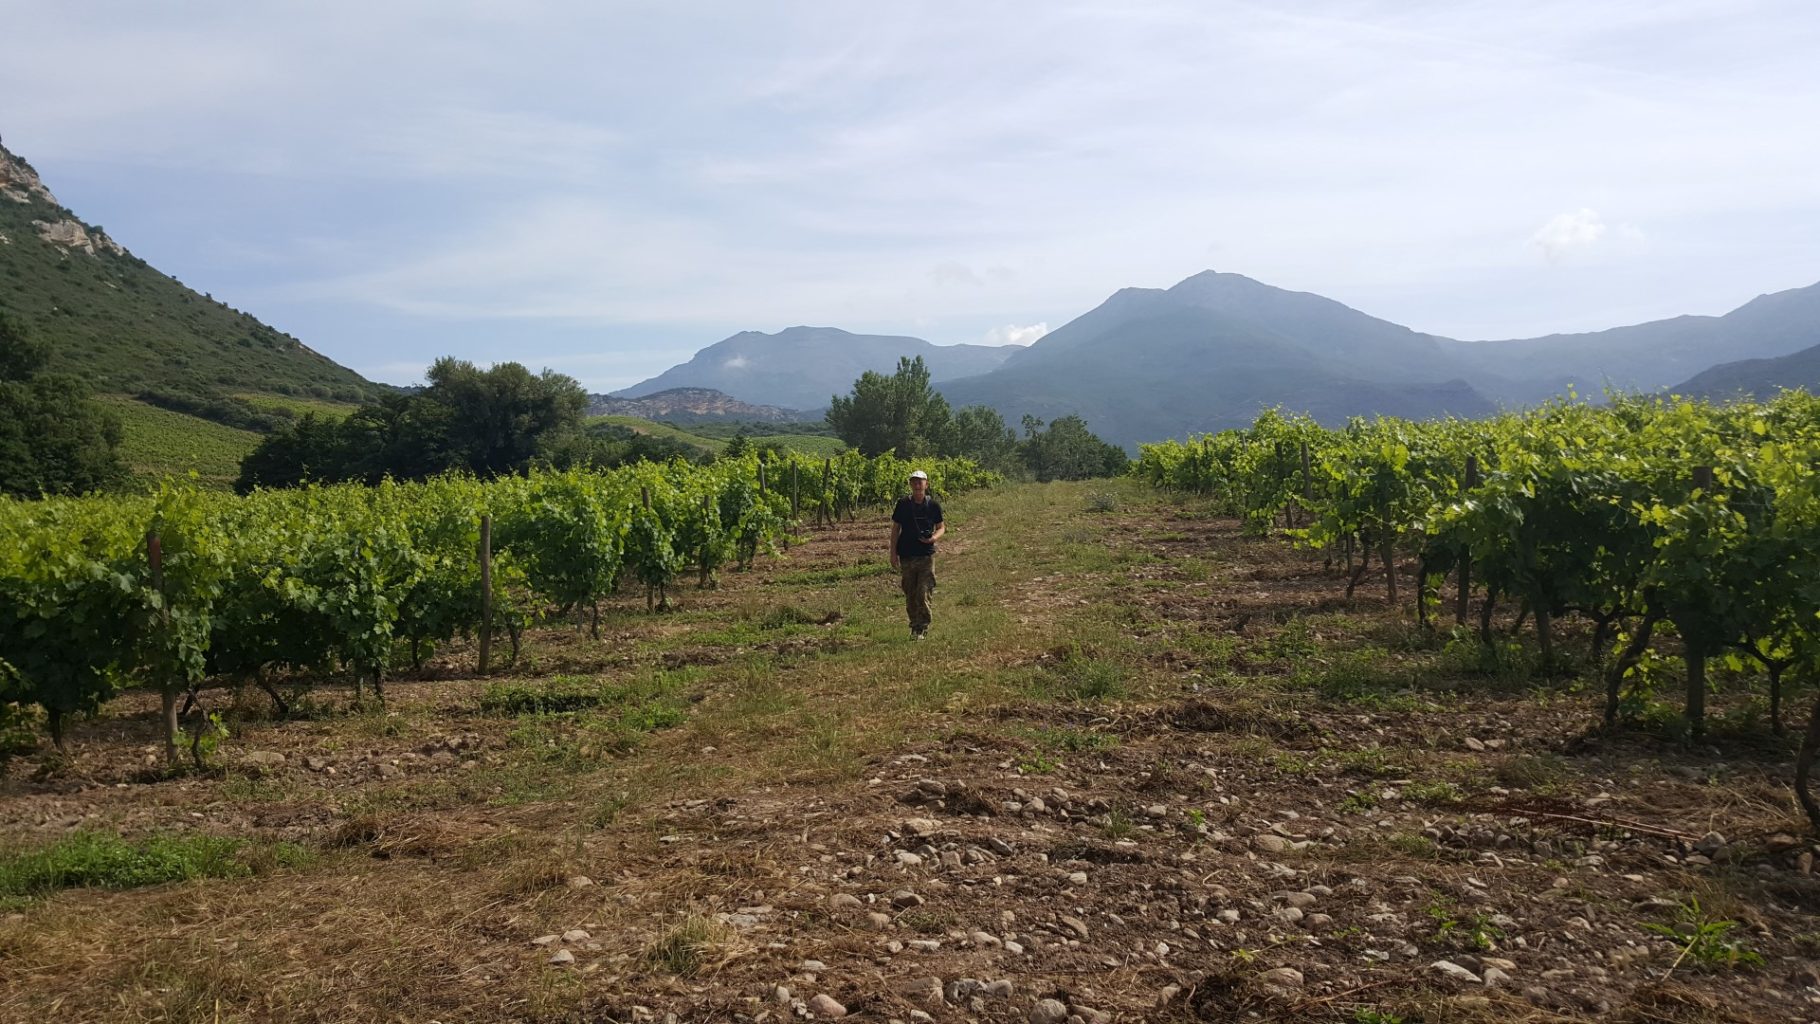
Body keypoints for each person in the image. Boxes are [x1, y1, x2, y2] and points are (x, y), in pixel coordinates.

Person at [889, 469, 945, 639]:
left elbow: (941, 527)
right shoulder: (903, 504)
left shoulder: (933, 505)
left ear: (926, 484)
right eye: (914, 481)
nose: (917, 484)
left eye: (920, 481)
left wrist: (933, 538)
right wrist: (893, 553)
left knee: (923, 591)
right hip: (906, 554)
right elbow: (896, 529)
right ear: (910, 484)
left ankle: (922, 626)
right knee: (910, 593)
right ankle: (914, 625)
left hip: (926, 555)